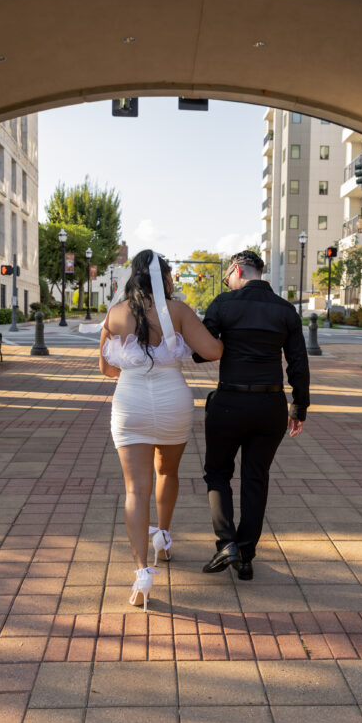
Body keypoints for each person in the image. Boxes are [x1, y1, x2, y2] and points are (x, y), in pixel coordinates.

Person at [99, 249, 223, 610]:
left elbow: (106, 369)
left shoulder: (116, 314)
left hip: (130, 402)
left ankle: (142, 574)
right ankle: (164, 539)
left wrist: (135, 369)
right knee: (168, 470)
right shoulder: (178, 311)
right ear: (163, 277)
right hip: (172, 400)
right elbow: (213, 351)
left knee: (135, 490)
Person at [194, 250, 310, 580]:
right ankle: (246, 556)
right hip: (270, 406)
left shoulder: (224, 304)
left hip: (229, 402)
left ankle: (226, 543)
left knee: (217, 473)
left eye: (228, 276)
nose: (227, 282)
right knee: (256, 479)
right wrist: (298, 407)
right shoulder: (286, 310)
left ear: (237, 270)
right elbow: (298, 365)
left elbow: (200, 353)